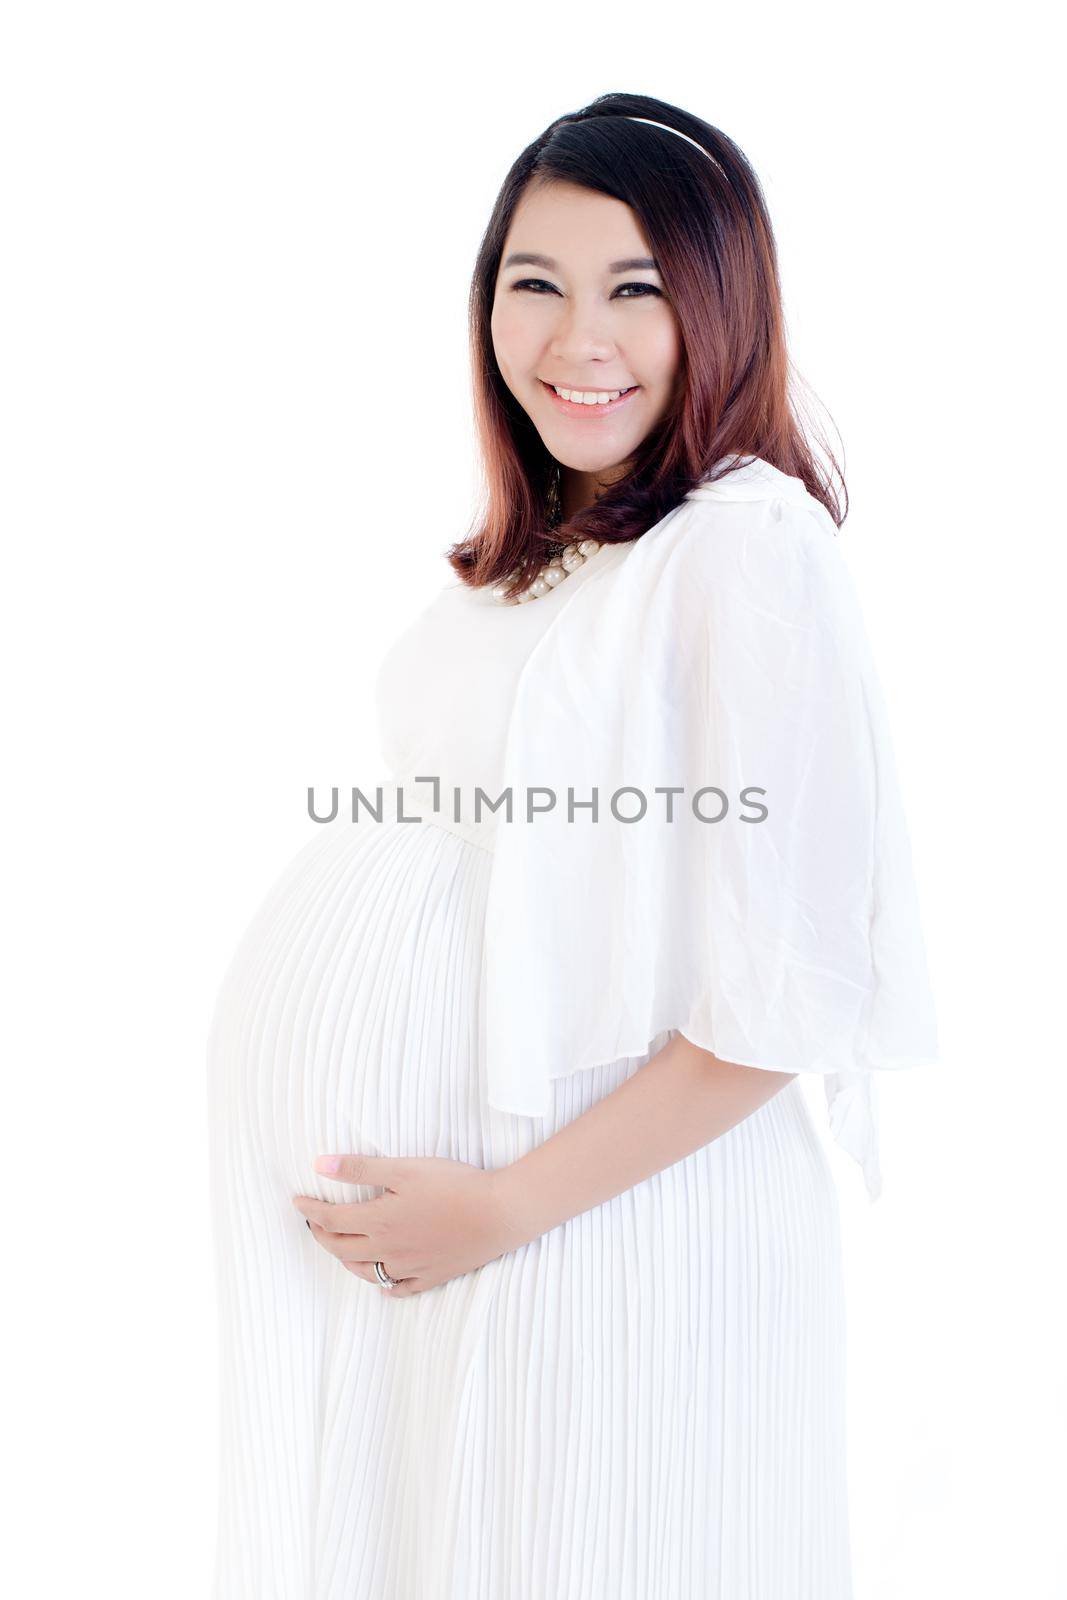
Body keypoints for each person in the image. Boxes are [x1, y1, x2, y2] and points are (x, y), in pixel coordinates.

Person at [206, 91, 938, 1599]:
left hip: (605, 1241)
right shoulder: (557, 555)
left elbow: (783, 1006)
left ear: (721, 306)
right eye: (533, 284)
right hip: (478, 1258)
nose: (573, 337)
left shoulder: (746, 549)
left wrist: (499, 1209)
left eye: (637, 290)